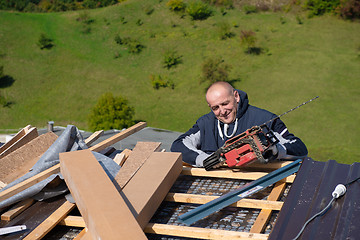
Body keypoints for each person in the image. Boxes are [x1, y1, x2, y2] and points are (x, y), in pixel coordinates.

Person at [171, 81, 308, 167]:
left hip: (259, 186)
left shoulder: (265, 119)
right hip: (217, 189)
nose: (222, 111)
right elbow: (178, 145)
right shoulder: (205, 123)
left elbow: (299, 147)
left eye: (225, 103)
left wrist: (277, 150)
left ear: (236, 96)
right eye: (215, 108)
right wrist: (205, 159)